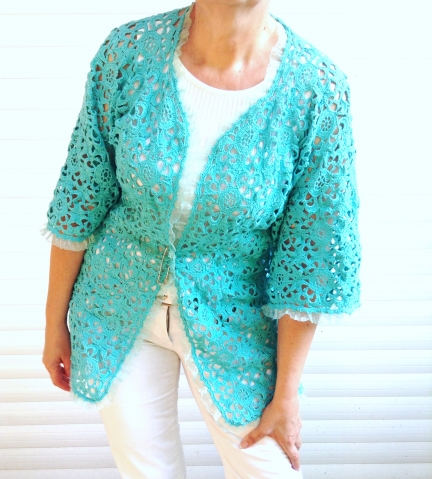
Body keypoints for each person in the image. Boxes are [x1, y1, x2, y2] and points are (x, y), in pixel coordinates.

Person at [40, 1, 361, 477]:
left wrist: (286, 395)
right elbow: (80, 198)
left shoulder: (316, 91)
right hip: (116, 305)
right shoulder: (128, 54)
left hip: (236, 323)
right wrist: (54, 324)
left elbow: (309, 260)